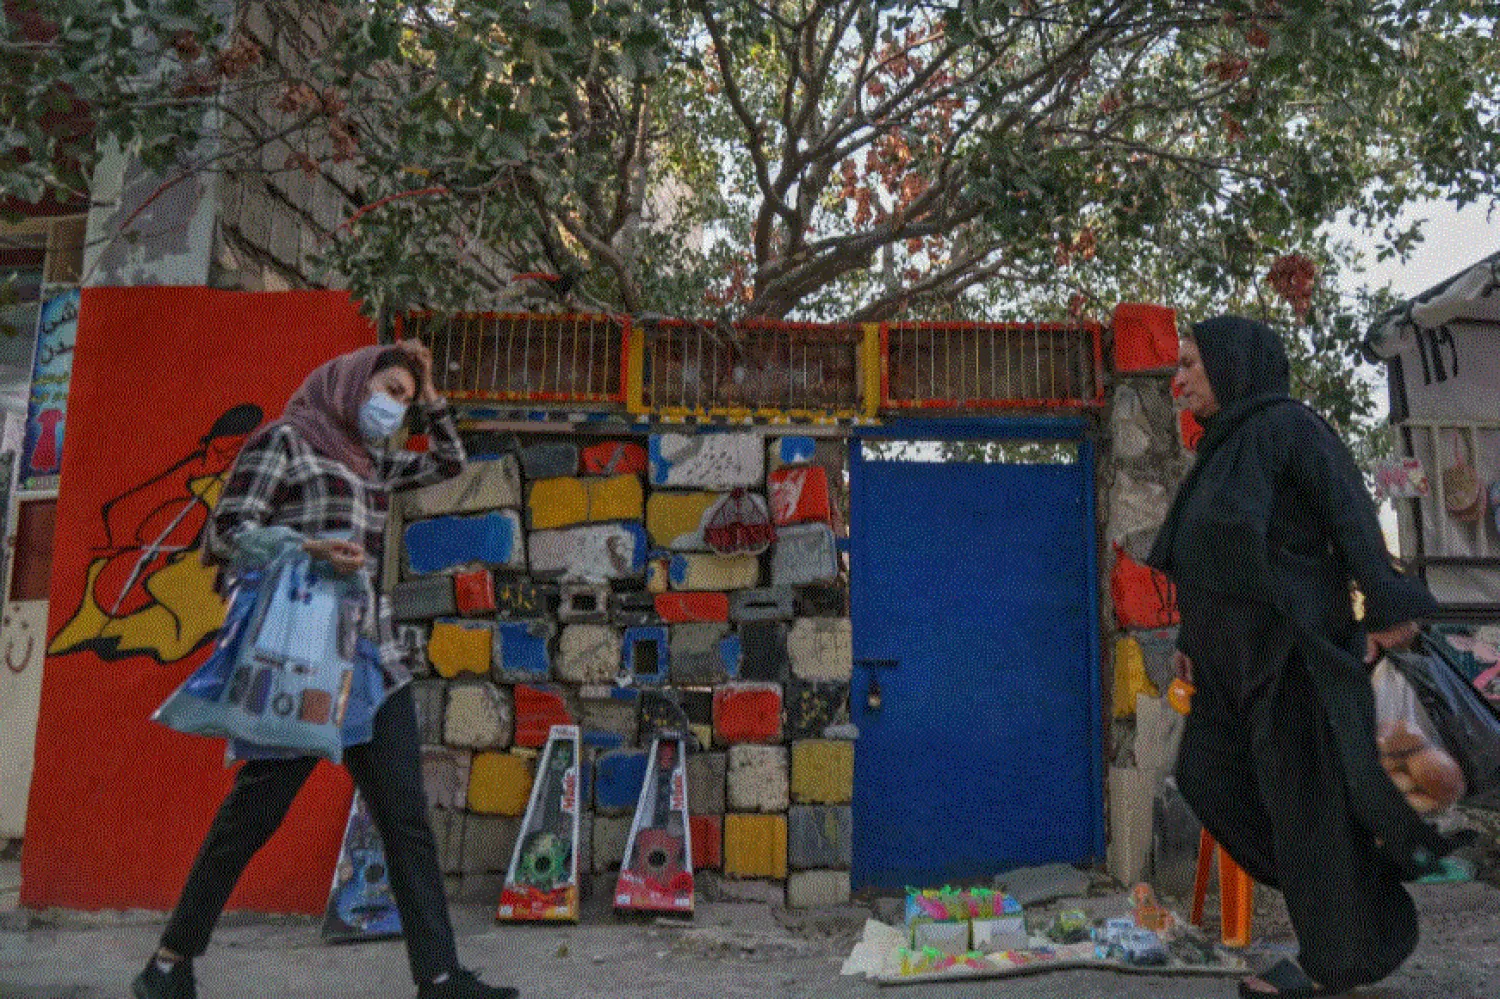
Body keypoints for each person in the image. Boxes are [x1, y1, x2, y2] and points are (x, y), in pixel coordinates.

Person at [133, 342, 518, 999]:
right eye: (387, 389)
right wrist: (308, 546)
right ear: (348, 385)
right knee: (252, 815)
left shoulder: (373, 462)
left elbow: (450, 462)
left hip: (373, 659)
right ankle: (168, 963)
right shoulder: (285, 439)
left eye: (401, 396)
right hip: (304, 661)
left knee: (405, 819)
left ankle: (441, 976)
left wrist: (430, 393)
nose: (390, 406)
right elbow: (225, 531)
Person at [1146, 316, 1461, 998]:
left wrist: (1384, 599)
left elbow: (1349, 512)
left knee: (1303, 807)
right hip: (1228, 670)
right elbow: (1213, 560)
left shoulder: (1290, 427)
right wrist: (1189, 644)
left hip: (1292, 656)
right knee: (1207, 776)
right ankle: (1353, 887)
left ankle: (1334, 961)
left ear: (1234, 363)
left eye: (1194, 362)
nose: (1182, 378)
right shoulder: (1221, 449)